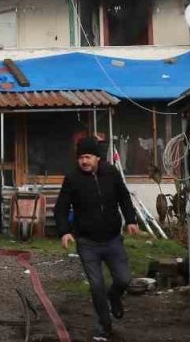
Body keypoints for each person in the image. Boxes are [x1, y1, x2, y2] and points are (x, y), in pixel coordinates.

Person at [54, 136, 139, 342]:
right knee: (96, 285)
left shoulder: (111, 173)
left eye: (88, 157)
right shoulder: (72, 179)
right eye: (81, 157)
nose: (84, 161)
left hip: (112, 239)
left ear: (97, 158)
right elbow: (61, 208)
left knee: (124, 279)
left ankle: (114, 296)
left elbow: (124, 197)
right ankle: (104, 325)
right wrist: (65, 231)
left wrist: (130, 219)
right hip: (87, 242)